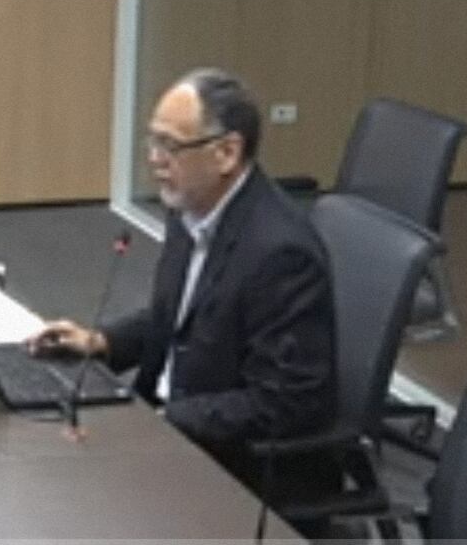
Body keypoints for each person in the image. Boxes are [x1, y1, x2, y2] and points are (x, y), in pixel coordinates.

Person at [28, 67, 337, 500]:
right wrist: (102, 342)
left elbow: (284, 402)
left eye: (170, 146)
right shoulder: (191, 207)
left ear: (226, 153)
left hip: (232, 469)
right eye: (153, 142)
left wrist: (161, 422)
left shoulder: (281, 255)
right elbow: (180, 316)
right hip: (167, 430)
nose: (155, 160)